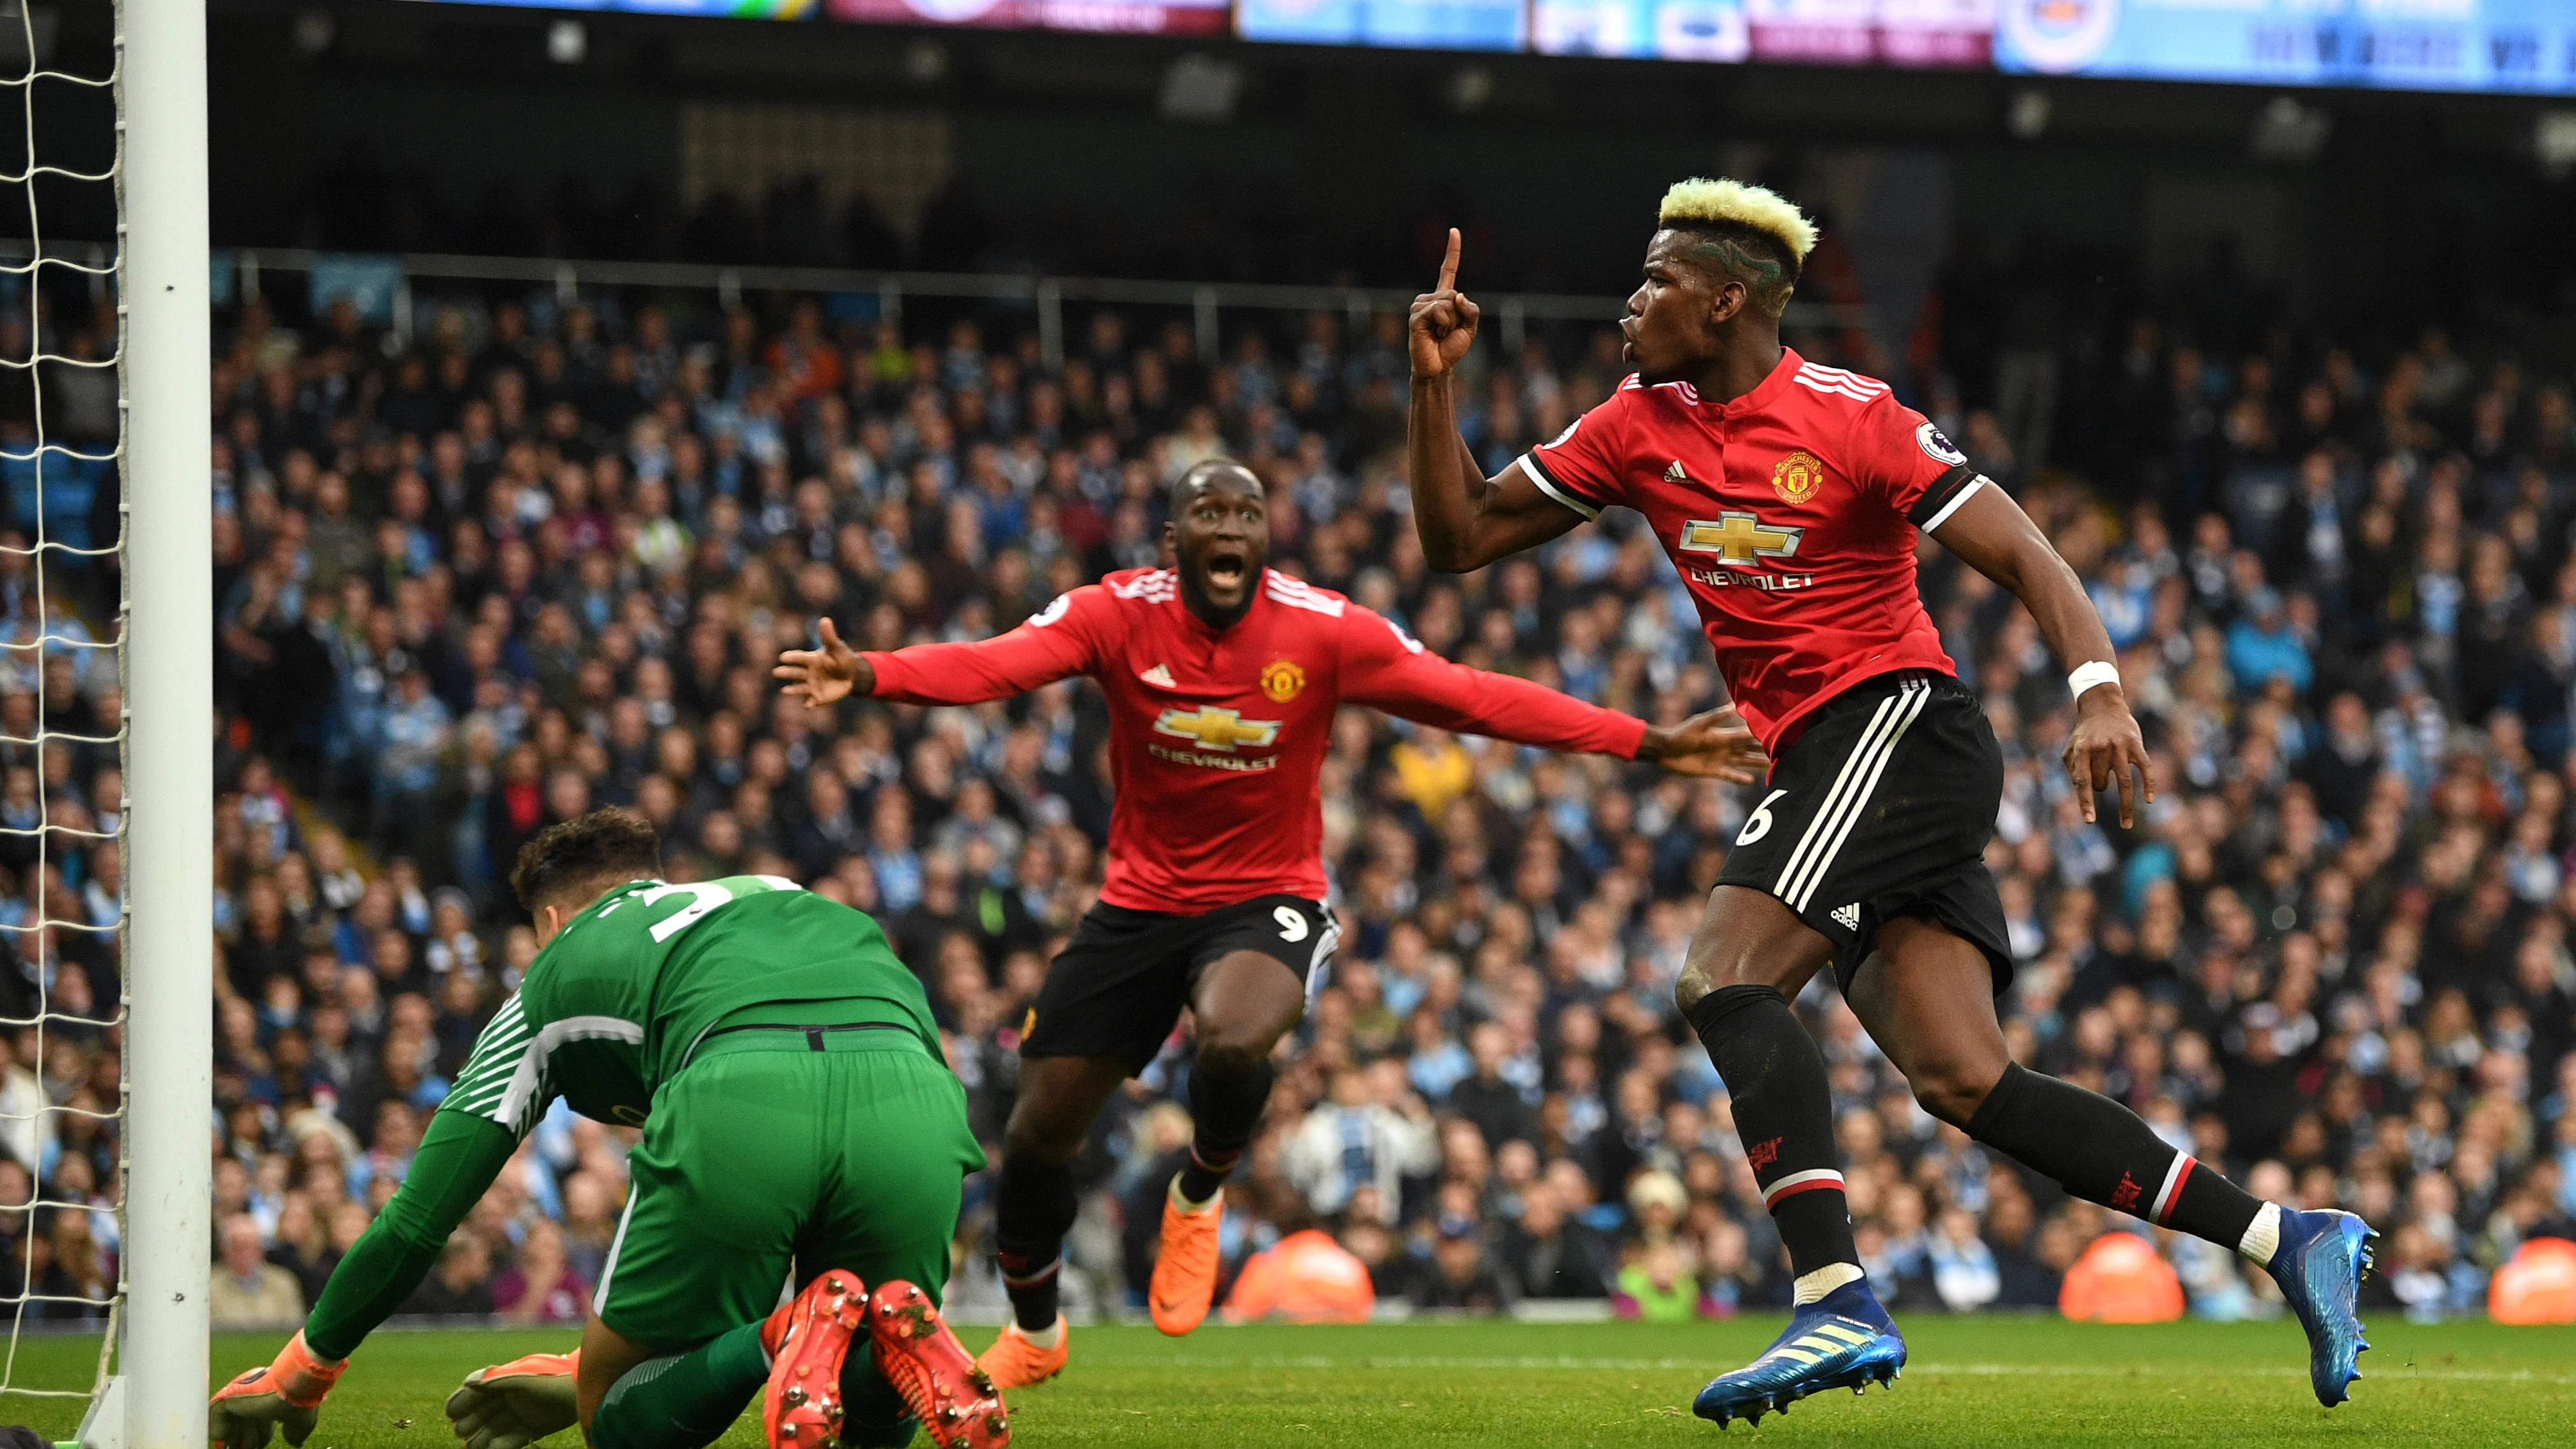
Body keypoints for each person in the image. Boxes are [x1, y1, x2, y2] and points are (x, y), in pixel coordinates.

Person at [1402, 178, 2372, 1424]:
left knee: (1724, 976)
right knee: (1968, 1081)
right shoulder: (1634, 425)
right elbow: (1459, 537)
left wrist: (2096, 687)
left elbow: (2028, 552)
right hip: (1826, 760)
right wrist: (1432, 386)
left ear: (1726, 300)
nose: (1631, 303)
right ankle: (2286, 1235)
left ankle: (1833, 1296)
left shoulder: (1853, 418)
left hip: (1898, 727)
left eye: (1655, 282)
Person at [776, 457, 1765, 1387]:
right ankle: (1035, 1329)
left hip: (1266, 895)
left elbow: (1471, 698)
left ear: (1265, 537)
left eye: (1246, 514)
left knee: (1237, 1035)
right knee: (1036, 1139)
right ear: (1174, 537)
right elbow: (1000, 663)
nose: (1229, 527)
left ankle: (1200, 1187)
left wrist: (1646, 742)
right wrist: (874, 673)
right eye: (1210, 512)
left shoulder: (1322, 627)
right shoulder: (1115, 612)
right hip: (1136, 904)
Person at [209, 810, 1007, 1449]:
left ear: (552, 918)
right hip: (915, 1089)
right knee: (879, 1369)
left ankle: (785, 1328)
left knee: (615, 1417)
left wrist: (304, 1368)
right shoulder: (774, 890)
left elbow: (419, 1220)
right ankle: (880, 1329)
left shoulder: (552, 973)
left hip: (739, 1091)